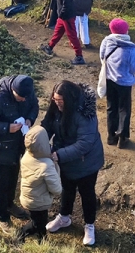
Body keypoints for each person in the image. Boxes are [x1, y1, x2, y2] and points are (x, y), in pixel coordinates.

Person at [42, 81, 104, 247]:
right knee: (67, 188)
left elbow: (84, 143)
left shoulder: (85, 114)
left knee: (87, 193)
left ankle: (89, 225)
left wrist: (58, 155)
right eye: (55, 100)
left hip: (87, 162)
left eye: (60, 101)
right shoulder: (56, 107)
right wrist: (40, 141)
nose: (57, 104)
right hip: (65, 159)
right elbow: (47, 125)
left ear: (69, 99)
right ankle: (64, 217)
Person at [0, 75, 39, 233]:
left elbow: (34, 106)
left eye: (26, 97)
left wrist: (30, 120)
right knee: (1, 185)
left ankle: (10, 204)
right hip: (0, 149)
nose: (24, 100)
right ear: (13, 90)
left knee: (13, 178)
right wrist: (7, 127)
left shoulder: (27, 91)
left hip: (17, 146)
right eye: (21, 97)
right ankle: (2, 217)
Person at [99, 18, 135, 149]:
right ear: (126, 31)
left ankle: (111, 137)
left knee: (111, 107)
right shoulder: (131, 49)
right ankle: (122, 138)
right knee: (124, 109)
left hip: (110, 79)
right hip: (125, 83)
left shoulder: (106, 42)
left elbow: (102, 57)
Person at [17, 126, 62, 242]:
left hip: (28, 197)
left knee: (38, 221)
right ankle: (22, 233)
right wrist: (55, 165)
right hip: (39, 202)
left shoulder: (27, 155)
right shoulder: (46, 165)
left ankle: (42, 239)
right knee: (38, 223)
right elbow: (57, 189)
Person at [39, 0, 85, 65]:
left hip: (67, 15)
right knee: (57, 32)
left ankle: (79, 56)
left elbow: (66, 4)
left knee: (72, 36)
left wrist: (62, 14)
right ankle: (50, 47)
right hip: (63, 15)